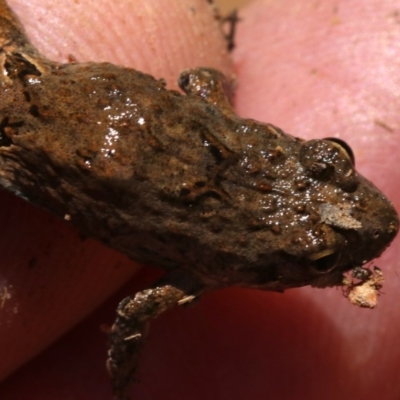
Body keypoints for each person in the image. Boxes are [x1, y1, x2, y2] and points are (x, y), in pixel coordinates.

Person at [0, 0, 399, 399]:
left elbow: (200, 78)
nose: (376, 219)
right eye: (335, 157)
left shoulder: (224, 120)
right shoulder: (204, 269)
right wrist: (123, 385)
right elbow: (132, 313)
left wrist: (229, 86)